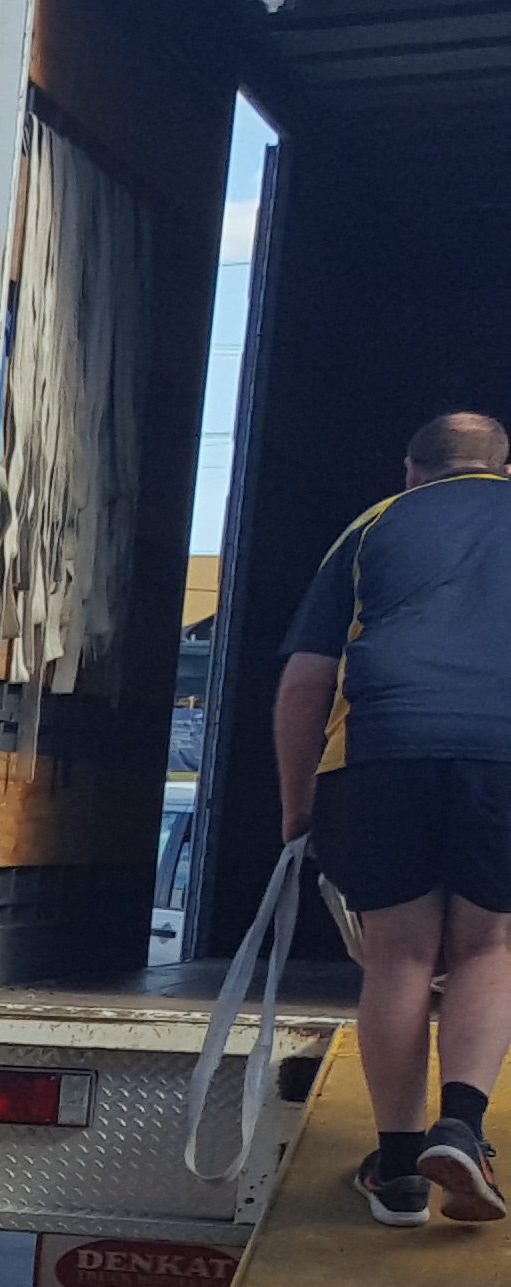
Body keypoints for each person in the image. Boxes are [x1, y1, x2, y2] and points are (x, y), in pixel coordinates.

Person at [275, 410, 511, 1226]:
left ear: (413, 470)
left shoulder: (375, 527)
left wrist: (298, 808)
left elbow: (307, 681)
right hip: (503, 758)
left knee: (399, 958)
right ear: (501, 470)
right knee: (489, 945)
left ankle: (402, 1167)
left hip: (383, 753)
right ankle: (465, 1129)